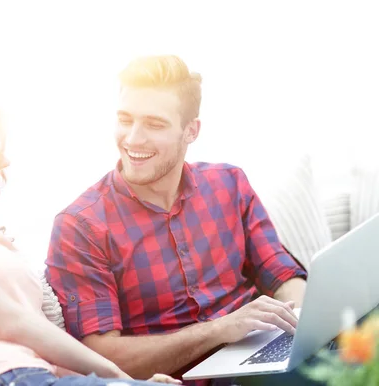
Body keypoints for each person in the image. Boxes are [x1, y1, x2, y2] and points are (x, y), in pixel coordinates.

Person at [0, 88, 181, 386]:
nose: (4, 162)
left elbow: (36, 343)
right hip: (0, 376)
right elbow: (8, 322)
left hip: (32, 374)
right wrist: (119, 376)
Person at [45, 55, 308, 385]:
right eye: (126, 120)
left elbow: (281, 273)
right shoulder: (80, 226)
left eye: (154, 124)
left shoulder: (229, 184)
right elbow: (100, 358)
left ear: (191, 131)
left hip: (259, 359)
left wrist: (305, 327)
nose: (133, 139)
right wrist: (217, 330)